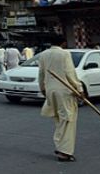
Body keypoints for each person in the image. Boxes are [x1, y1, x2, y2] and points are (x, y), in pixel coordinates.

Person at [36, 34, 81, 162]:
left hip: (51, 90)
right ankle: (64, 151)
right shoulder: (64, 54)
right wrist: (79, 89)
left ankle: (60, 145)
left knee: (59, 119)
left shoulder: (43, 54)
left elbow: (41, 73)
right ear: (63, 43)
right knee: (68, 119)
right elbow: (69, 73)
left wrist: (43, 89)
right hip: (64, 91)